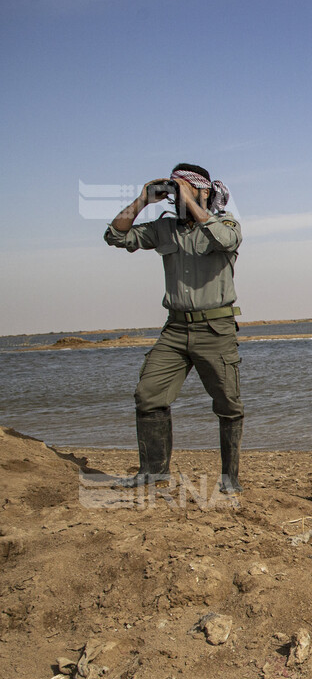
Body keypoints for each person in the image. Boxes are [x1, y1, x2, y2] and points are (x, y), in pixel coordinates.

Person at [104, 164, 244, 493]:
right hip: (175, 330)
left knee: (228, 403)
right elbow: (116, 236)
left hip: (216, 328)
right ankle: (153, 474)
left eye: (184, 187)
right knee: (148, 395)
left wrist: (193, 203)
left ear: (205, 191)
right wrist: (141, 201)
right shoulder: (165, 229)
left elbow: (223, 239)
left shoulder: (226, 223)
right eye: (174, 188)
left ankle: (230, 477)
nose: (176, 194)